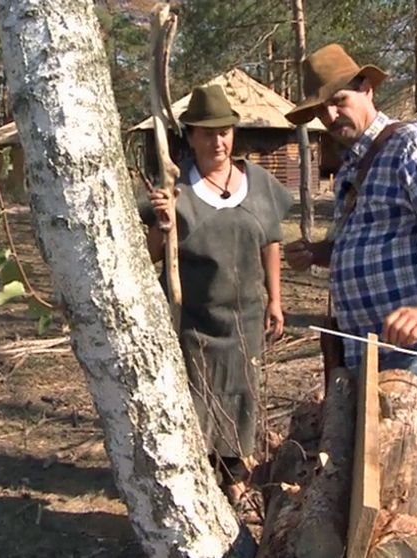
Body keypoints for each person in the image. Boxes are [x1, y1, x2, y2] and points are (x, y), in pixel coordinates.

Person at [284, 44, 417, 429]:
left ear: (367, 89)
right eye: (320, 110)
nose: (329, 115)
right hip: (365, 347)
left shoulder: (410, 144)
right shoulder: (355, 164)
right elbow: (372, 243)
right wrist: (318, 253)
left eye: (338, 100)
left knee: (416, 471)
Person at [141, 84, 292, 501]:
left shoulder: (258, 183)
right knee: (197, 396)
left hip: (245, 318)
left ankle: (236, 471)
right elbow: (152, 254)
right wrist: (163, 221)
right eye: (208, 132)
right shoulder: (175, 188)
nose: (218, 140)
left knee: (243, 394)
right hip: (193, 321)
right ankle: (198, 471)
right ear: (190, 137)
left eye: (224, 130)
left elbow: (271, 242)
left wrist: (275, 300)